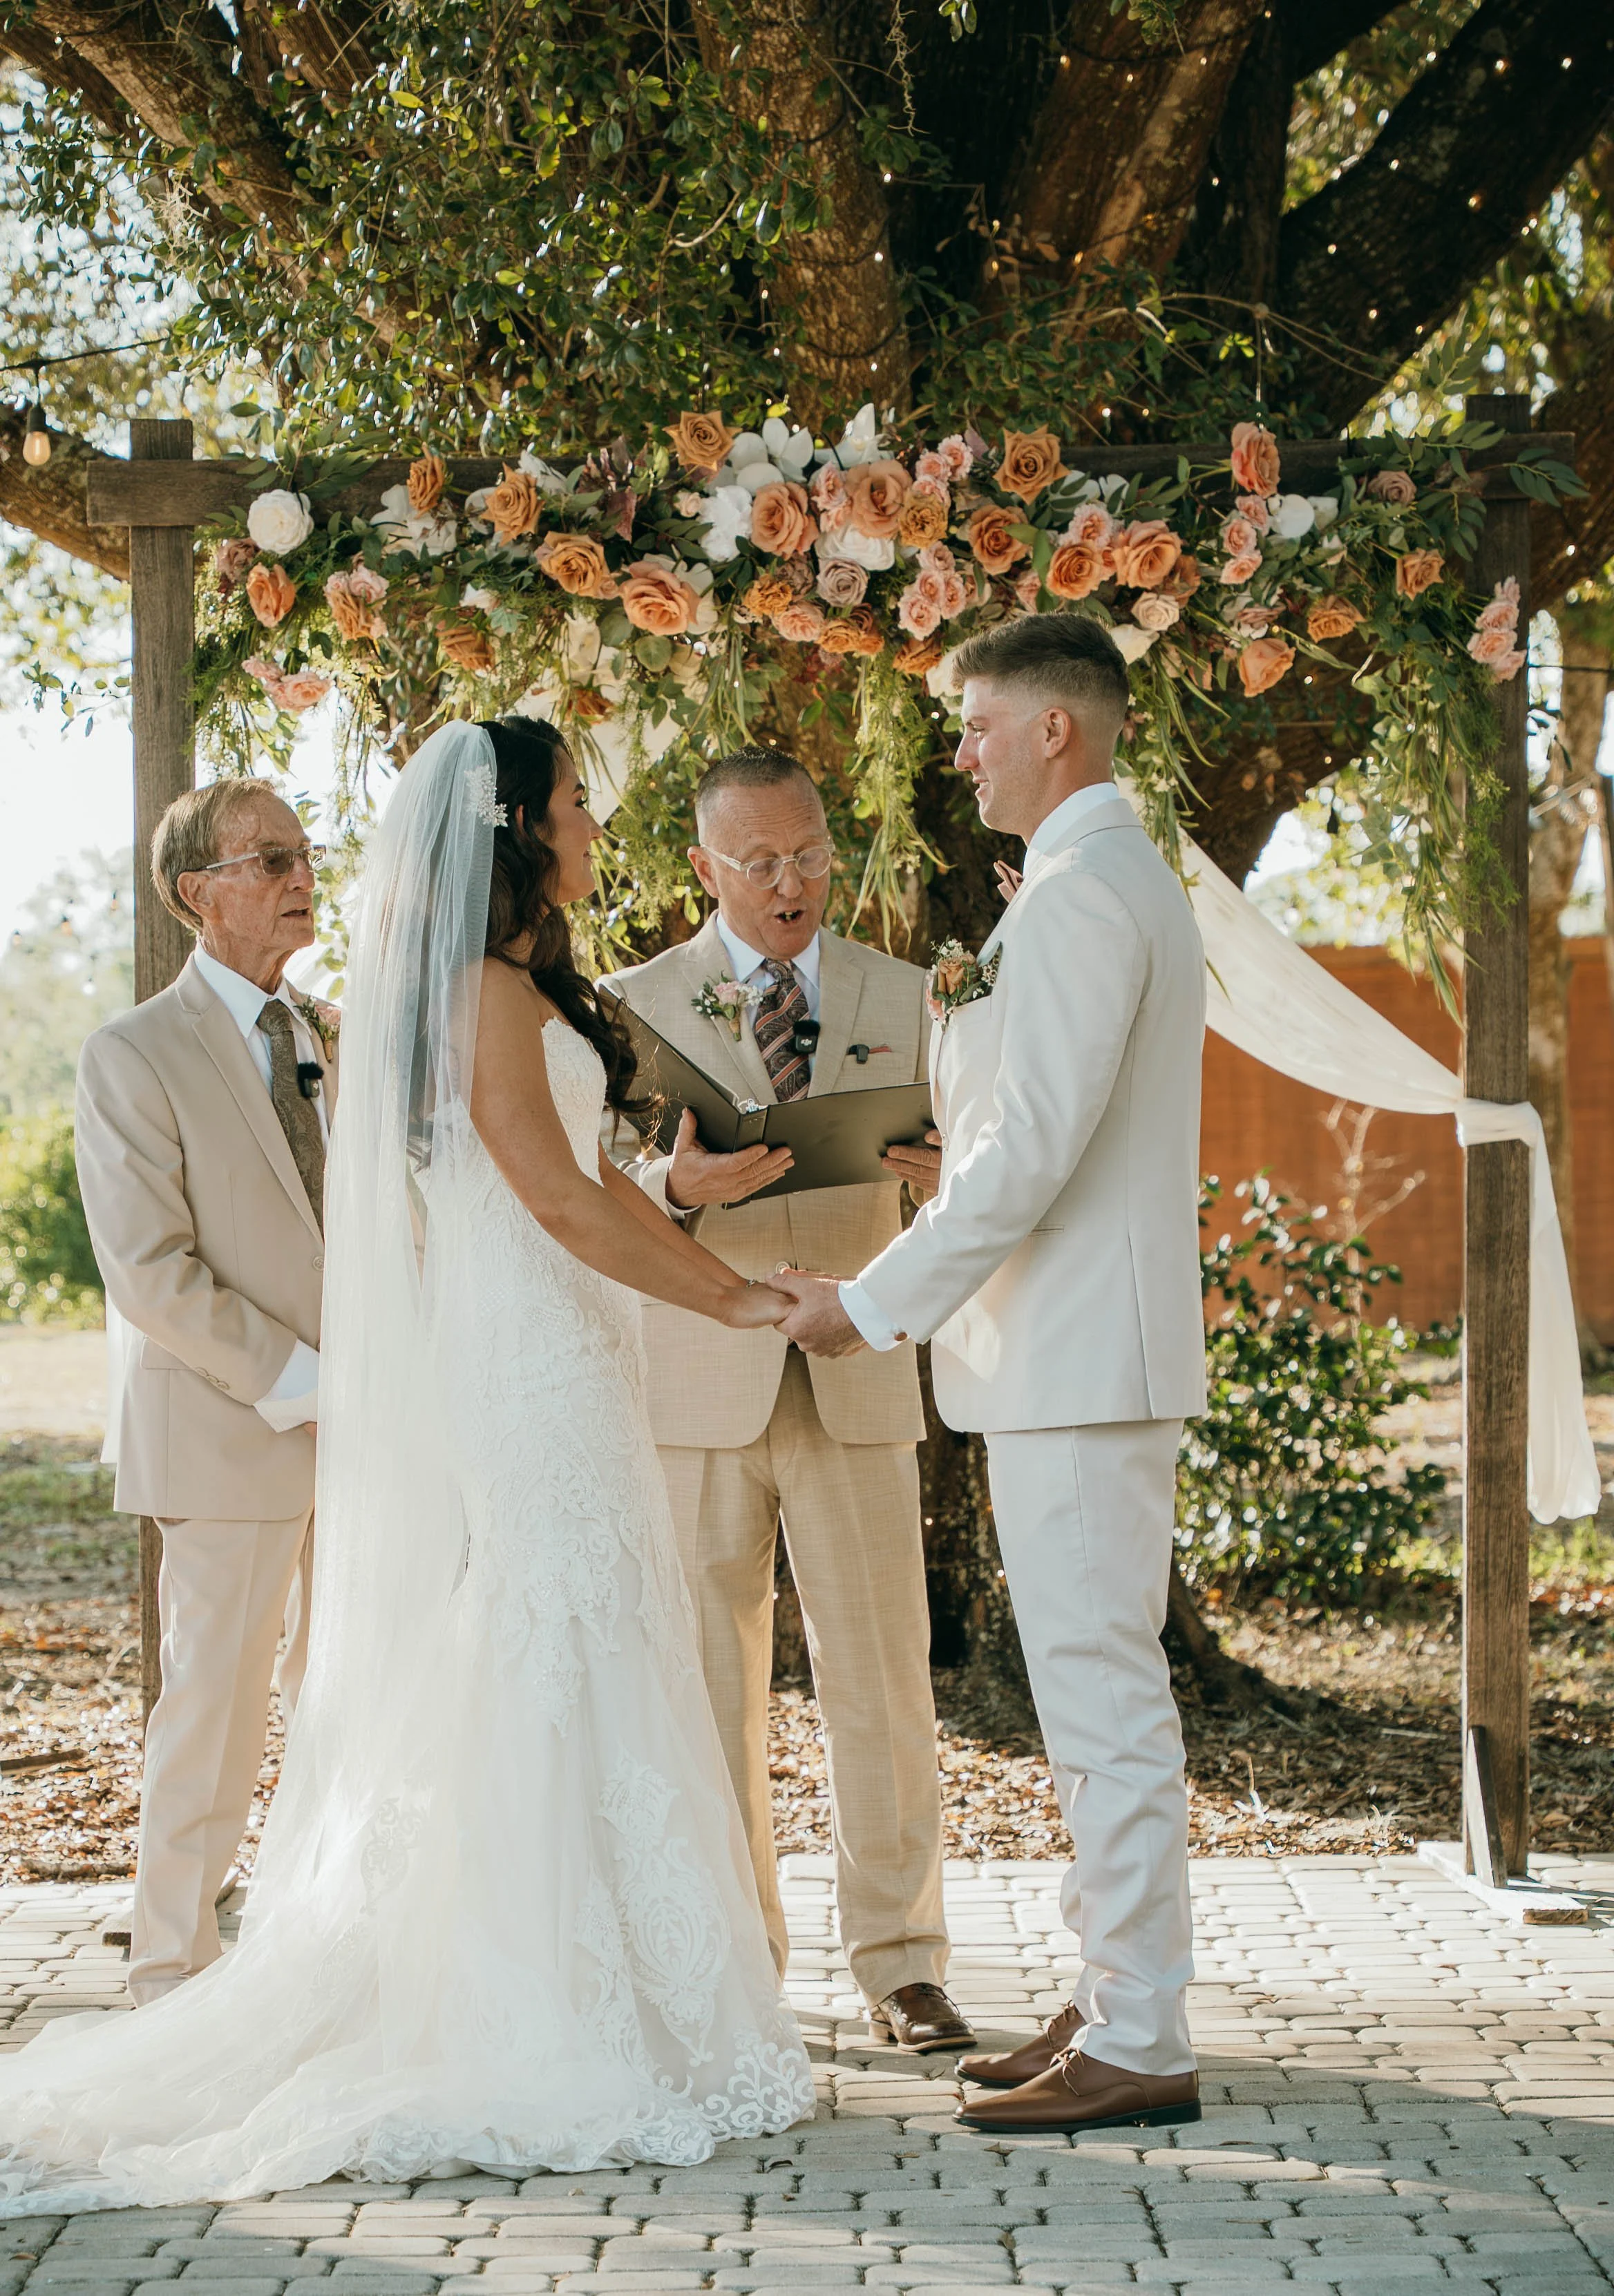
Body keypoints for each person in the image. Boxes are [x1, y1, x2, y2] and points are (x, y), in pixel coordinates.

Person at [0, 717, 812, 2204]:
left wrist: (672, 1203)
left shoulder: (430, 1003)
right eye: (572, 799)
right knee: (534, 1645)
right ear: (512, 827)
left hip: (539, 1347)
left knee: (565, 1646)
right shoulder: (473, 994)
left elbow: (522, 1192)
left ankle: (613, 1983)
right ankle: (508, 1998)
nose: (588, 817)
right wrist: (738, 1295)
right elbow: (550, 1205)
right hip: (496, 1364)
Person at [773, 615, 1208, 2136]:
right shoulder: (1082, 889)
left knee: (1100, 1701)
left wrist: (874, 1302)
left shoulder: (1087, 896)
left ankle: (1143, 2034)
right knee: (1089, 1691)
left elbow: (1031, 1157)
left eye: (976, 724)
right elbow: (1037, 1132)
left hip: (1082, 1354)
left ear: (1054, 733)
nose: (955, 752)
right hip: (1065, 1346)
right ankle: (1107, 1995)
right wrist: (951, 1156)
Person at [602, 747, 970, 2054]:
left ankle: (903, 1961)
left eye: (808, 852)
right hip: (697, 1368)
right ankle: (731, 1966)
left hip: (856, 1357)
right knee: (707, 1681)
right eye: (758, 861)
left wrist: (942, 1177)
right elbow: (578, 1189)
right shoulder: (627, 1002)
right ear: (705, 868)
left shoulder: (915, 994)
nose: (789, 881)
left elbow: (980, 1170)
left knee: (884, 1674)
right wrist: (672, 1193)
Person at [75, 781, 332, 2004]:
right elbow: (151, 1273)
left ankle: (319, 1955)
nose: (300, 875)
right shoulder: (132, 1054)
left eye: (303, 851)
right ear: (198, 893)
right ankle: (170, 1970)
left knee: (348, 1707)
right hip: (230, 1428)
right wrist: (313, 1382)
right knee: (214, 1716)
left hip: (378, 1440)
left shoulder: (334, 1031)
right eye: (268, 857)